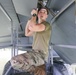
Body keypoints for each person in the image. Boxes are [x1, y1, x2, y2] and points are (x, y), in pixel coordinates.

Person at [3, 7, 52, 75]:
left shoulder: (46, 25)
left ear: (46, 16)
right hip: (35, 53)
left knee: (15, 61)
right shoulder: (36, 26)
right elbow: (27, 33)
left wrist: (34, 15)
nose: (42, 13)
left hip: (41, 55)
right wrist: (30, 20)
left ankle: (38, 71)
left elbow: (31, 27)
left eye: (44, 12)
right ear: (38, 14)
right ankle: (39, 71)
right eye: (40, 12)